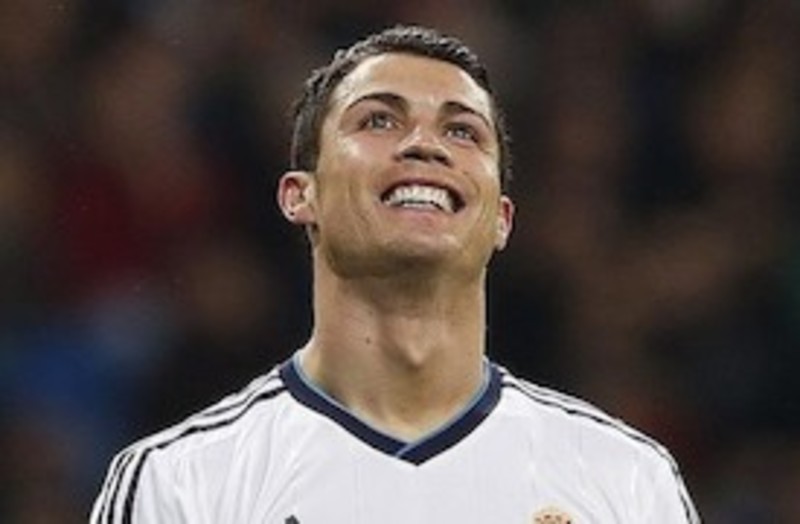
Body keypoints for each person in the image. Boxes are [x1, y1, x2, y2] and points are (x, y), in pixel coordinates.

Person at [90, 25, 700, 523]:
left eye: (462, 131)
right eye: (379, 120)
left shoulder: (624, 480)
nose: (425, 146)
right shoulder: (181, 482)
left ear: (502, 219)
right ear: (301, 196)